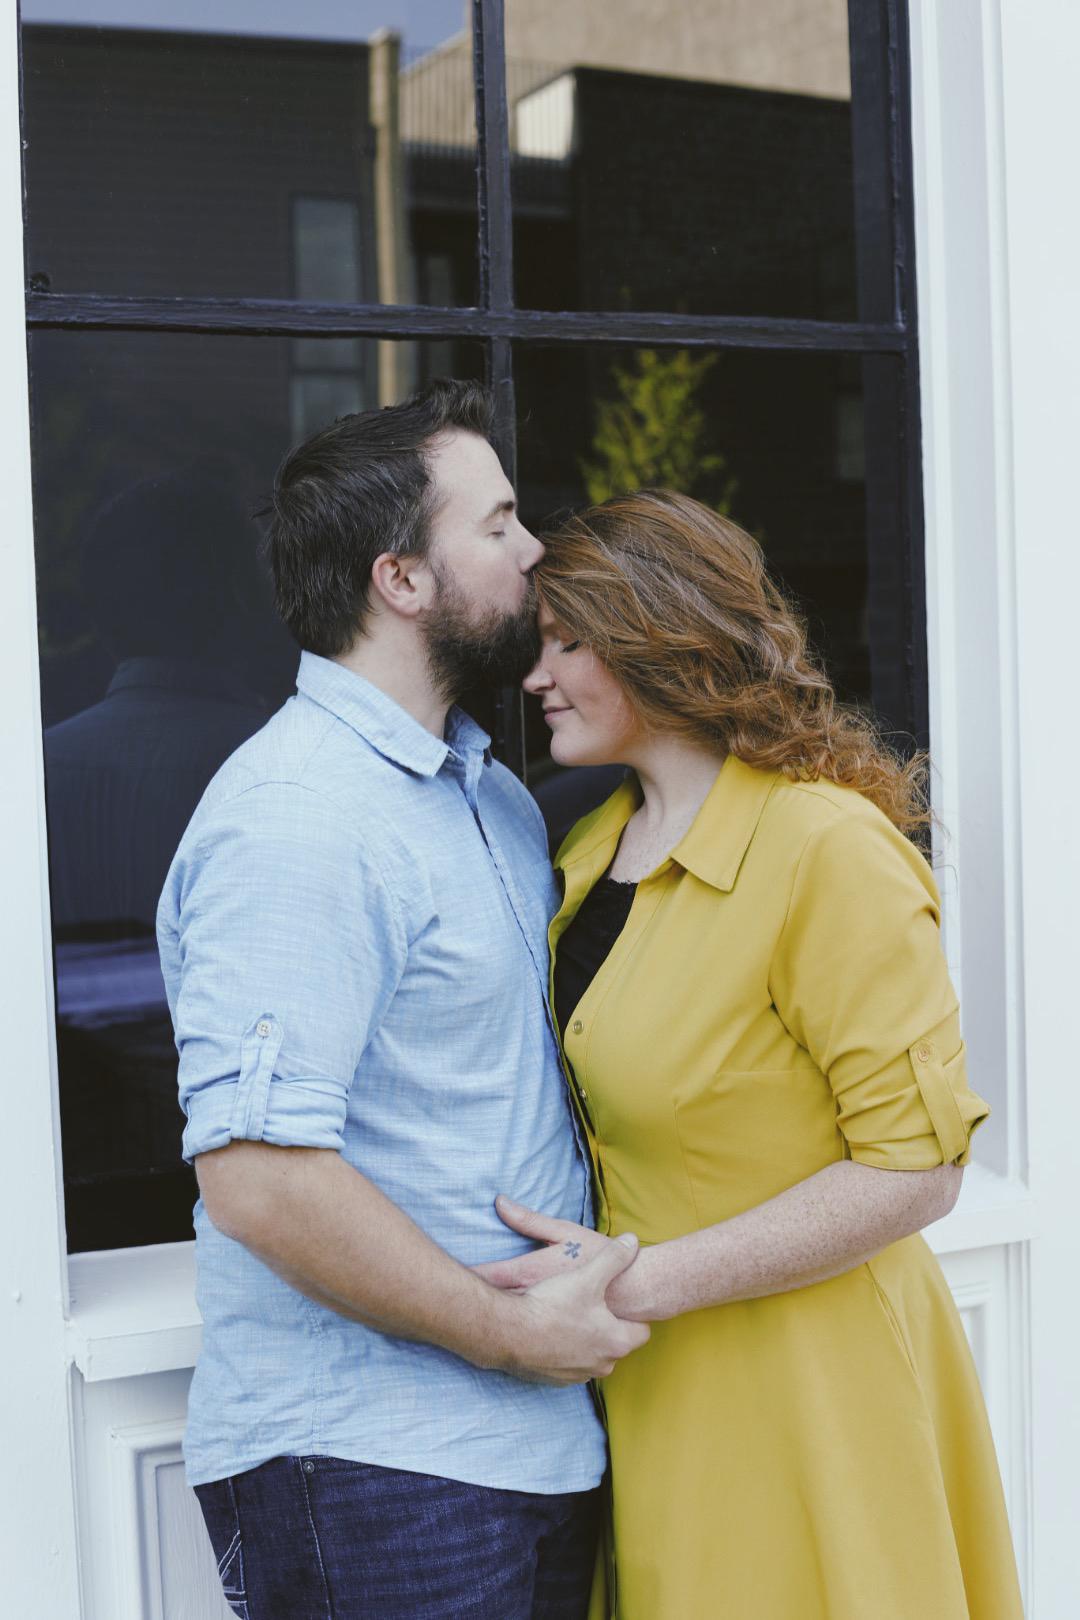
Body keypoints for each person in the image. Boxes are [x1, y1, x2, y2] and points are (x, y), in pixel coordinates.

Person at [479, 488, 1025, 1619]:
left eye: (569, 643)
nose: (537, 677)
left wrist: (630, 1282)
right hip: (649, 1387)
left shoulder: (824, 848)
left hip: (815, 1391)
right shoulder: (585, 849)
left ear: (656, 638)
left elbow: (918, 1169)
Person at [156, 381, 648, 1620]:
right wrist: (509, 1334)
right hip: (373, 1469)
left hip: (528, 1446)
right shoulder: (300, 817)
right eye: (498, 523)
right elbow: (260, 1178)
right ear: (403, 579)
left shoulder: (484, 795)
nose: (534, 550)